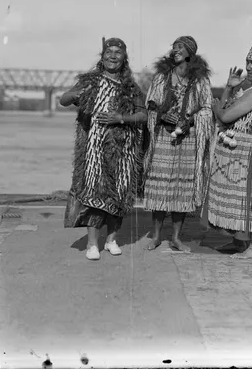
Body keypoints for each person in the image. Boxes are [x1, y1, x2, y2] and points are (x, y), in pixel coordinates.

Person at [61, 37, 147, 260]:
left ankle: (112, 240)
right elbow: (63, 99)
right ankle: (92, 244)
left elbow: (143, 116)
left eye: (118, 52)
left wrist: (120, 118)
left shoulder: (131, 87)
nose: (113, 56)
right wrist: (74, 96)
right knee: (94, 193)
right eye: (109, 51)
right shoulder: (90, 81)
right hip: (94, 147)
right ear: (102, 56)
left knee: (119, 193)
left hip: (123, 149)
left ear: (124, 58)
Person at [201, 41, 252, 259]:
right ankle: (239, 242)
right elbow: (227, 109)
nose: (248, 66)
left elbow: (225, 115)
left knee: (244, 196)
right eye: (248, 61)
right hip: (236, 148)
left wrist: (216, 107)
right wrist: (229, 87)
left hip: (247, 150)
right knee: (235, 196)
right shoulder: (248, 89)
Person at [143, 36, 214, 252]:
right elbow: (151, 103)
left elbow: (206, 107)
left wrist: (190, 120)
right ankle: (155, 235)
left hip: (188, 138)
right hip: (164, 137)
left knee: (182, 188)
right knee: (160, 185)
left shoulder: (200, 80)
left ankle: (175, 237)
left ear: (189, 53)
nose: (174, 50)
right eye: (173, 47)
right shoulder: (163, 76)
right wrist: (164, 115)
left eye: (180, 47)